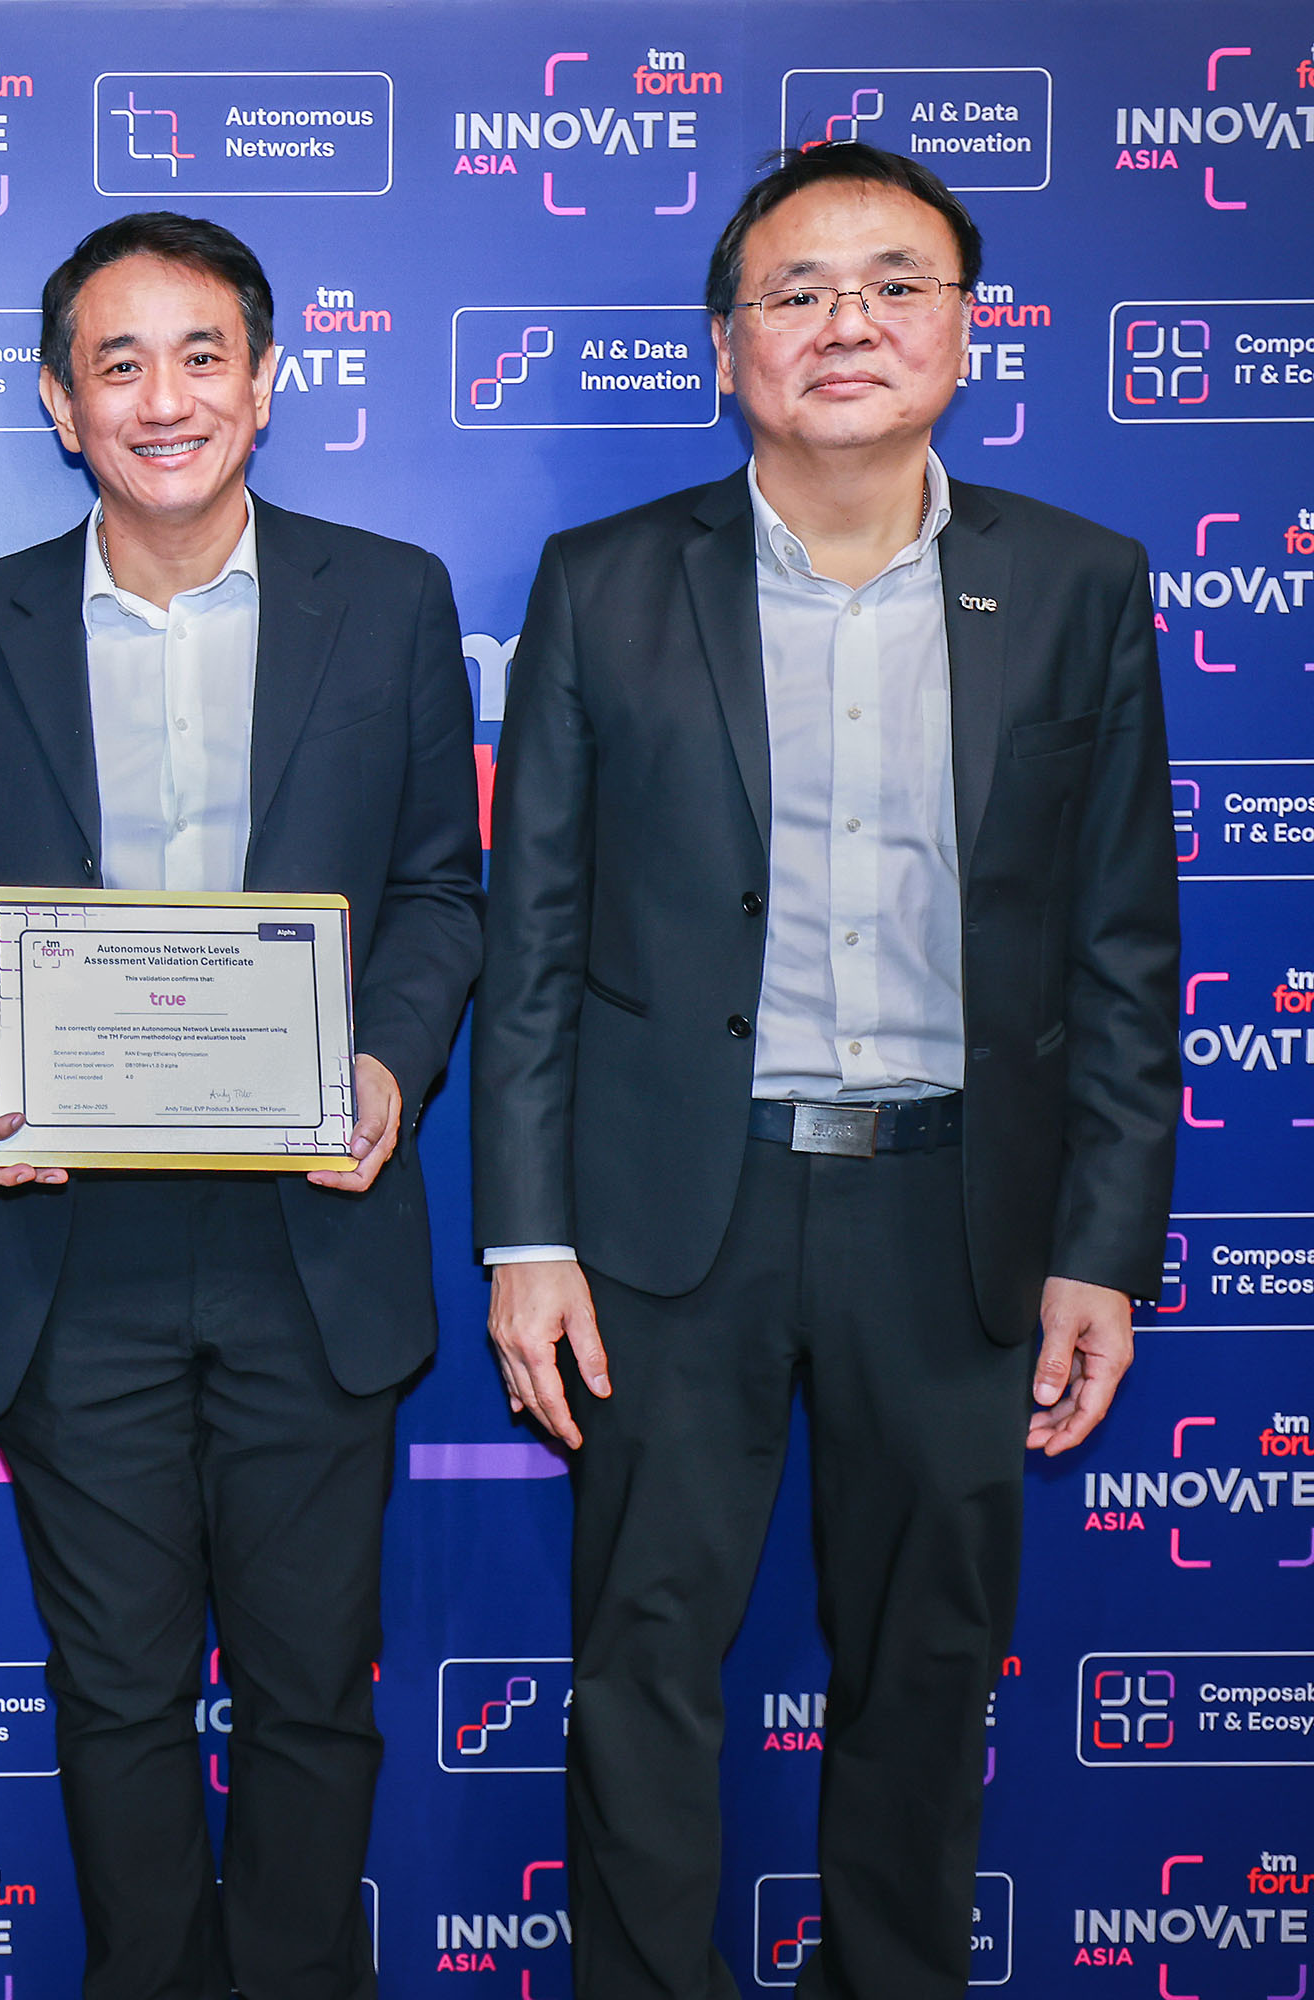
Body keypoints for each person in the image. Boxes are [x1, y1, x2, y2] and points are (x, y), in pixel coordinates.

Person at [472, 142, 1178, 2000]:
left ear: (966, 328)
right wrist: (526, 1239)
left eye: (893, 285)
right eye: (796, 293)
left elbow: (1121, 950)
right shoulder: (607, 584)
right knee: (642, 1670)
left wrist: (1101, 1250)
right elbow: (531, 945)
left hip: (956, 1220)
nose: (845, 323)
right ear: (728, 348)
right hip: (667, 1225)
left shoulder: (1080, 584)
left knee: (929, 1675)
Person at [0, 212, 482, 2000]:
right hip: (72, 1252)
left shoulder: (387, 599)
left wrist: (385, 1063)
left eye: (202, 355)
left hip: (316, 1239)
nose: (165, 399)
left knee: (312, 1698)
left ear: (266, 379)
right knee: (119, 1700)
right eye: (119, 364)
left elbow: (441, 893)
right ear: (60, 404)